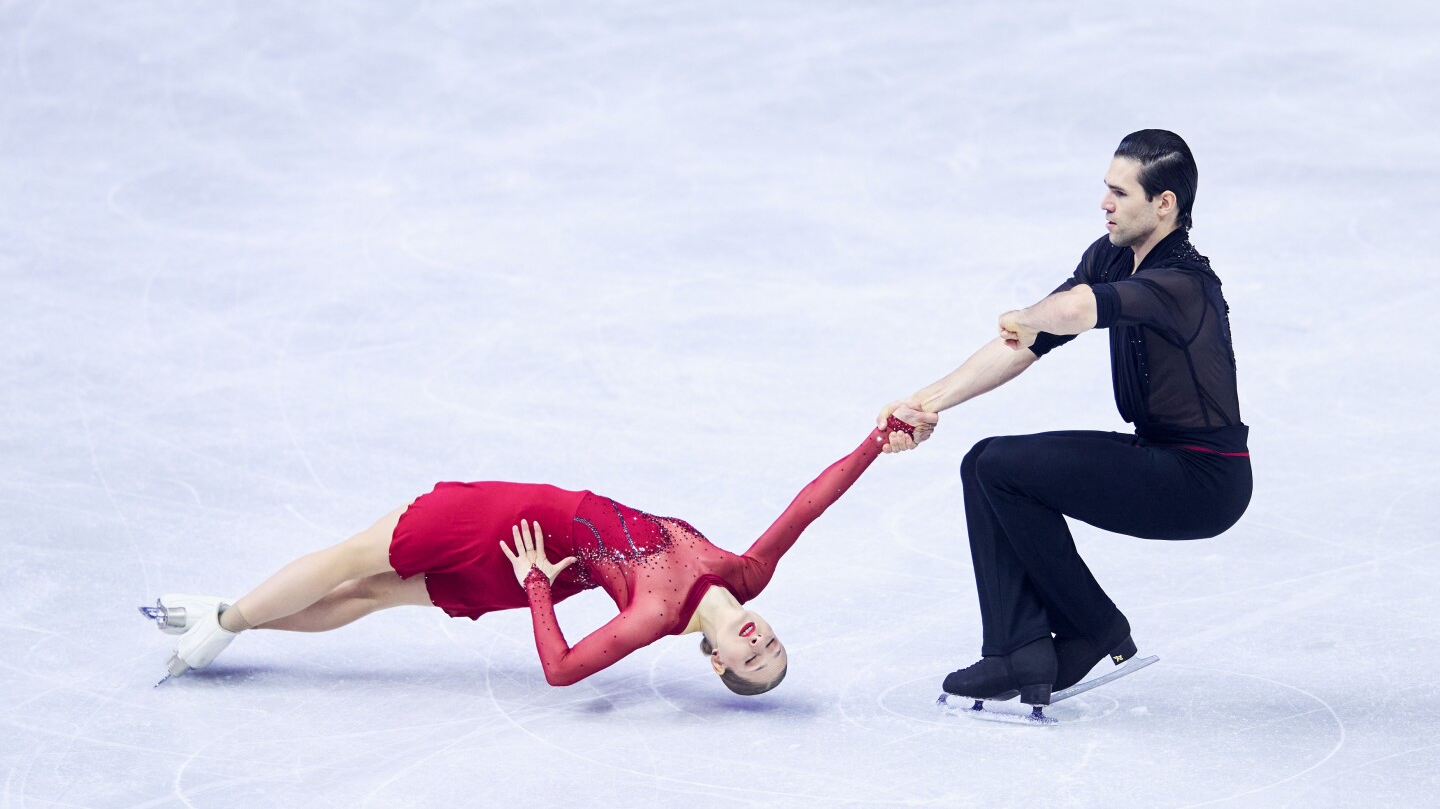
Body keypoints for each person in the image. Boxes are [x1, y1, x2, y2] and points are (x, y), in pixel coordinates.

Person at [144, 415, 930, 695]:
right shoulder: (747, 573)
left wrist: (536, 587)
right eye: (774, 648)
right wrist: (874, 442)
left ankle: (228, 617)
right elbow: (811, 504)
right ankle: (226, 623)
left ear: (718, 661)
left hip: (528, 545)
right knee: (365, 585)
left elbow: (561, 671)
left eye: (751, 663)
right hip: (539, 554)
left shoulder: (657, 616)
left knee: (361, 571)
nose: (762, 645)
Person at [877, 129, 1251, 712]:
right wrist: (925, 401)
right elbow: (1025, 342)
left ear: (1164, 203)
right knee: (985, 464)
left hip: (1204, 480)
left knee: (1001, 466)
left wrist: (1029, 314)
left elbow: (1071, 311)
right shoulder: (1112, 255)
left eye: (1119, 193)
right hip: (1158, 453)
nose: (1104, 203)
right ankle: (1016, 649)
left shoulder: (1184, 283)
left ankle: (1091, 627)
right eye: (1106, 190)